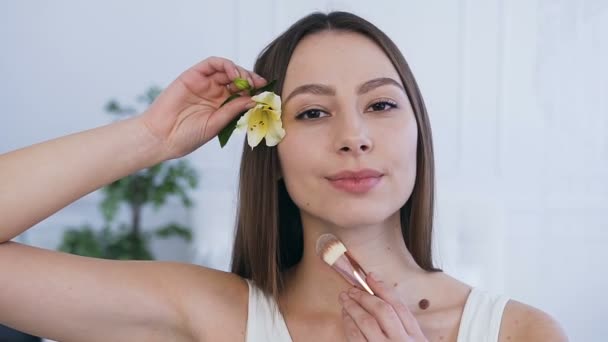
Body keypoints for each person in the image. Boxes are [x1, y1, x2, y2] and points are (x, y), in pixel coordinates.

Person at [0, 11, 567, 342]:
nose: (354, 135)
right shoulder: (211, 315)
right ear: (271, 153)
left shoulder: (522, 332)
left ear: (419, 132)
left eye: (382, 105)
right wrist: (151, 137)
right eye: (313, 113)